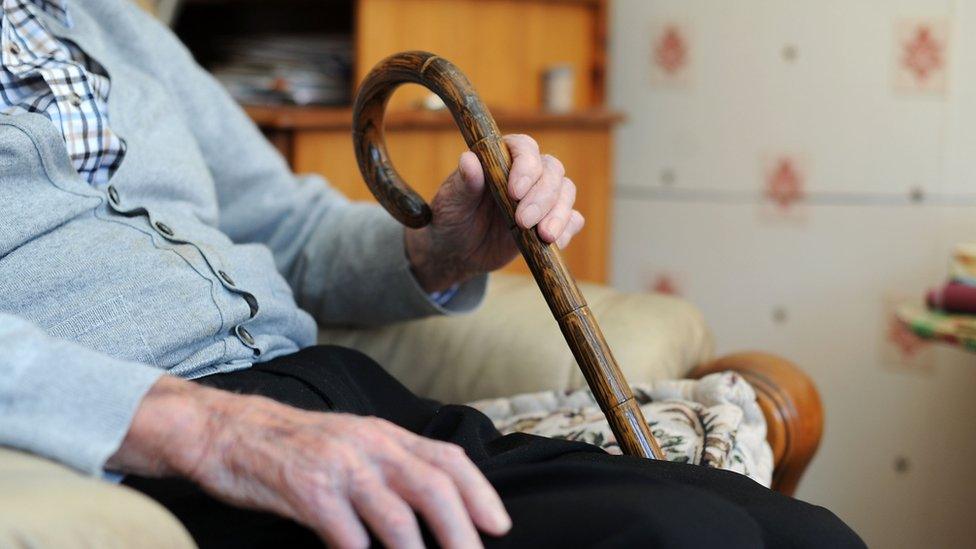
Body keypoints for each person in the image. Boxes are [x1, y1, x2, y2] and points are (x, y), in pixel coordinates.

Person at [0, 0, 864, 547]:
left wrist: (442, 247)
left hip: (339, 392)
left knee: (808, 537)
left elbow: (289, 230)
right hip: (155, 449)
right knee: (679, 534)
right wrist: (206, 428)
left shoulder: (106, 21)